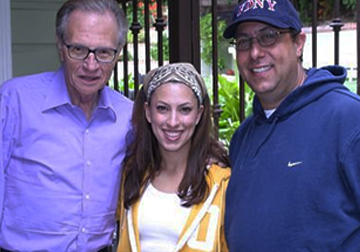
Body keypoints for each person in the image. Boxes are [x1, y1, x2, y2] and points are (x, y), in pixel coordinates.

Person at [222, 0, 360, 251]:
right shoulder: (243, 136)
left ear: (299, 44)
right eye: (244, 41)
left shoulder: (349, 119)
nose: (255, 53)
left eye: (269, 36)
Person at [0, 0, 132, 251]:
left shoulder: (127, 116)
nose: (91, 65)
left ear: (118, 53)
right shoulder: (14, 100)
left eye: (104, 52)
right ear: (61, 46)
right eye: (79, 49)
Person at [116, 62, 231, 252]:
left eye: (185, 109)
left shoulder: (221, 183)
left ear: (199, 114)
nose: (173, 121)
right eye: (162, 108)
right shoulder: (132, 174)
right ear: (148, 112)